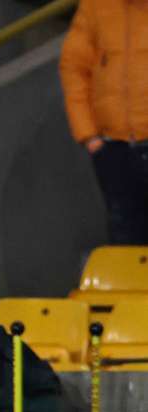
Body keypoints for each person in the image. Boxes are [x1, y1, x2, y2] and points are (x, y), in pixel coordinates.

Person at [59, 0, 148, 245]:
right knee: (125, 239)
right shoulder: (96, 5)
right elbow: (73, 66)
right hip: (114, 150)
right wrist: (89, 136)